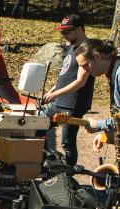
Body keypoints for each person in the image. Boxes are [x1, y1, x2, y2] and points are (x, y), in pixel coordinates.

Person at [42, 15, 94, 166]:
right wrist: (52, 90)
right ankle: (47, 162)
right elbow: (65, 74)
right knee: (39, 124)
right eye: (62, 32)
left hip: (72, 105)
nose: (64, 35)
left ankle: (68, 174)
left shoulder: (87, 49)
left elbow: (80, 82)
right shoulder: (71, 47)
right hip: (59, 101)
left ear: (79, 29)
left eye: (67, 31)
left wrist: (55, 93)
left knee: (67, 142)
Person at [76, 39, 120, 153]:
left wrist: (98, 124)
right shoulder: (114, 71)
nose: (84, 70)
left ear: (97, 56)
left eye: (86, 65)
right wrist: (106, 134)